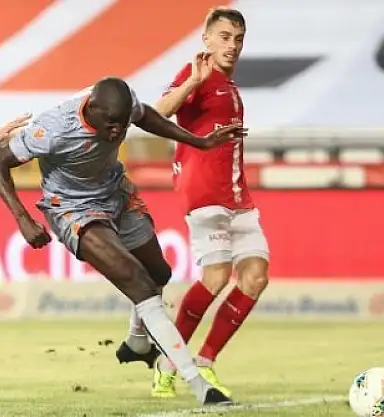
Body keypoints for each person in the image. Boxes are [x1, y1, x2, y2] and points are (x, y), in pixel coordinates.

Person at [0, 77, 245, 406]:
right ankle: (200, 386)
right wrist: (22, 218)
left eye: (122, 123)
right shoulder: (53, 130)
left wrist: (197, 142)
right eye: (111, 124)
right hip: (73, 209)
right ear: (92, 109)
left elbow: (146, 116)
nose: (117, 131)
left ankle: (137, 342)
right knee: (138, 282)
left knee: (158, 274)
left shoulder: (123, 103)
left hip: (116, 193)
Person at [116, 7, 268, 399]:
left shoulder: (230, 87)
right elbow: (156, 113)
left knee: (255, 276)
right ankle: (168, 363)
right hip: (204, 193)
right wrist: (191, 83)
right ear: (206, 39)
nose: (232, 46)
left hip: (238, 195)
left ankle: (204, 361)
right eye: (224, 37)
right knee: (216, 276)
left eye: (238, 39)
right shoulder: (196, 73)